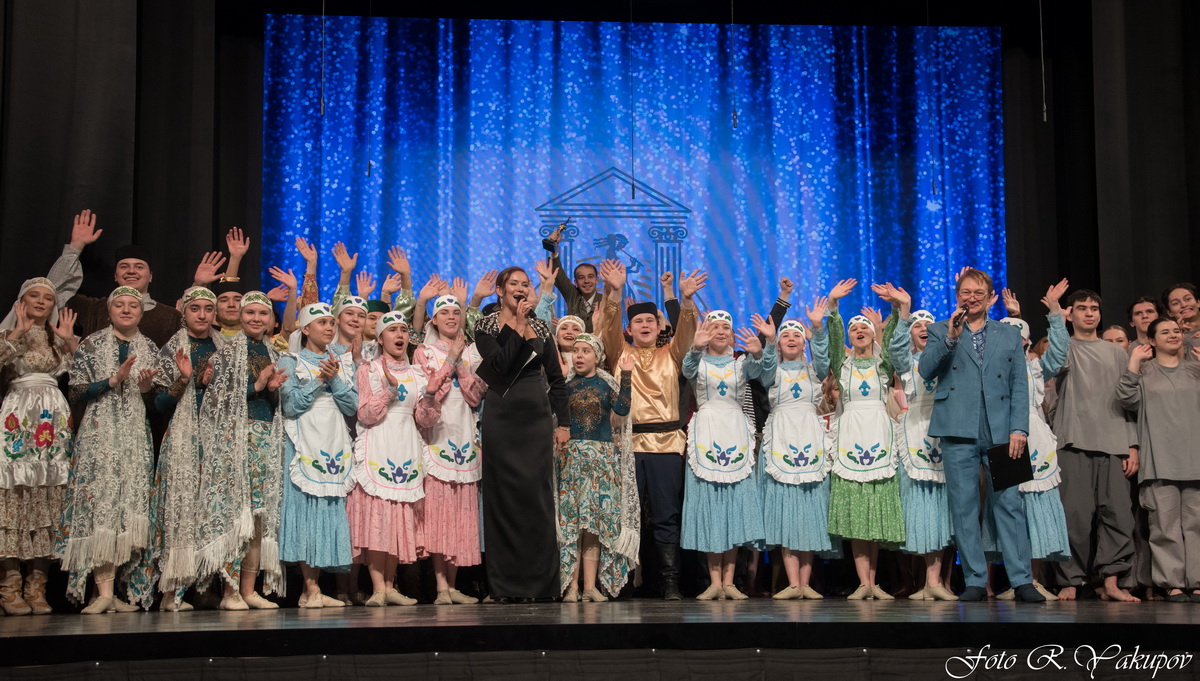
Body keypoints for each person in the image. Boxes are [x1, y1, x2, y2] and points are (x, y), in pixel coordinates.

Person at [918, 268, 1044, 602]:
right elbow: (926, 370)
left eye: (978, 293)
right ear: (957, 296)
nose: (971, 299)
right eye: (966, 293)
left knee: (1010, 503)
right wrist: (951, 336)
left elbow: (1019, 385)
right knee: (964, 505)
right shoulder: (940, 329)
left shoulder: (1008, 334)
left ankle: (1021, 580)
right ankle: (974, 579)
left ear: (990, 298)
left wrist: (1019, 428)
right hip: (957, 425)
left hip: (1002, 428)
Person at [597, 260, 702, 600]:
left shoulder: (672, 355)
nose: (644, 325)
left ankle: (669, 581)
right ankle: (623, 581)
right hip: (626, 444)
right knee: (625, 515)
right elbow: (608, 328)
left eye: (649, 321)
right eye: (637, 321)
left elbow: (687, 333)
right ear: (629, 329)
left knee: (666, 514)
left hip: (666, 444)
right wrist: (614, 293)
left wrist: (686, 301)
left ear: (659, 327)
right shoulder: (619, 352)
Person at [57, 286, 159, 613]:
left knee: (127, 506)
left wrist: (145, 388)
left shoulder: (149, 347)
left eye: (133, 305)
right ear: (110, 311)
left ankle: (113, 592)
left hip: (134, 435)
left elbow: (154, 402)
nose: (126, 310)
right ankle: (102, 591)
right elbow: (76, 391)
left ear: (141, 312)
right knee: (102, 503)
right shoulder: (92, 344)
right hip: (99, 434)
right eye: (120, 305)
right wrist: (112, 381)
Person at [474, 267, 569, 602]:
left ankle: (541, 585)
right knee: (503, 499)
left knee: (536, 498)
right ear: (500, 291)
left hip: (535, 418)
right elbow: (500, 366)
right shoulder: (486, 326)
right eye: (513, 284)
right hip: (501, 415)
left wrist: (563, 423)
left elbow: (556, 378)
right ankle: (505, 586)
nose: (521, 288)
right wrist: (516, 323)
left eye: (525, 284)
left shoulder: (540, 327)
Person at [1041, 289, 1140, 602]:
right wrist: (1055, 313)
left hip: (1114, 441)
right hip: (1073, 440)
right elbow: (1054, 365)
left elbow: (1127, 401)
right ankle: (1070, 579)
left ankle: (1111, 581)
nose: (1089, 313)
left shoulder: (1117, 353)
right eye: (1082, 308)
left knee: (1118, 515)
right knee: (1075, 516)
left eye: (1094, 308)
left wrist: (1132, 444)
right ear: (1071, 314)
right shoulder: (1065, 347)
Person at [195, 291, 288, 610]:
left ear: (271, 319)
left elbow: (274, 403)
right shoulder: (227, 352)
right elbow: (217, 400)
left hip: (265, 437)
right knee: (237, 514)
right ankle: (230, 591)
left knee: (259, 516)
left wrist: (271, 391)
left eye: (263, 314)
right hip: (236, 438)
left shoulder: (274, 352)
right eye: (250, 313)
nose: (256, 319)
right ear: (240, 316)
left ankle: (248, 590)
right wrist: (257, 386)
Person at [136, 286, 225, 611]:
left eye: (208, 309)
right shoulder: (174, 348)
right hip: (184, 437)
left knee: (210, 509)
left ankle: (204, 586)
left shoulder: (224, 348)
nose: (202, 315)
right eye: (195, 308)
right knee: (182, 508)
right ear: (183, 312)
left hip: (217, 436)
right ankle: (172, 591)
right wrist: (185, 379)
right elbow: (158, 404)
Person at [817, 279, 904, 600]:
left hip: (878, 435)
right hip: (851, 435)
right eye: (854, 329)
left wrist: (895, 308)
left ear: (872, 334)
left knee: (874, 510)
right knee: (856, 511)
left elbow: (892, 341)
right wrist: (833, 306)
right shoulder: (842, 365)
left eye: (864, 328)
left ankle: (874, 582)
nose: (859, 331)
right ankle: (862, 583)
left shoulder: (883, 365)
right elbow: (834, 340)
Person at [681, 311, 776, 600]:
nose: (721, 331)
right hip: (706, 432)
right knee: (711, 505)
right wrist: (695, 347)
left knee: (734, 505)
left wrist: (762, 351)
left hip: (735, 431)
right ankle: (714, 582)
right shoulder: (698, 360)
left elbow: (767, 376)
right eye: (715, 327)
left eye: (726, 327)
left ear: (733, 335)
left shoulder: (742, 363)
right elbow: (687, 369)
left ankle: (730, 582)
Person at [988, 283, 1071, 601]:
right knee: (1008, 508)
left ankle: (1033, 581)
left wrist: (1054, 312)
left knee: (1035, 507)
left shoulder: (1036, 366)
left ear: (1025, 341)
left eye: (1018, 336)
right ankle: (1013, 581)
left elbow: (1059, 352)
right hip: (1002, 435)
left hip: (1034, 438)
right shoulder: (989, 369)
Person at [0, 278, 78, 615]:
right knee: (16, 493)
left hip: (52, 418)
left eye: (48, 297)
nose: (42, 301)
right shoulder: (10, 333)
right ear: (22, 300)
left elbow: (81, 373)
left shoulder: (55, 337)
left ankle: (37, 586)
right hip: (19, 415)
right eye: (35, 295)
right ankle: (10, 586)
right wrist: (16, 333)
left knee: (49, 494)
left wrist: (69, 342)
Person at [347, 312, 430, 607]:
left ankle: (391, 586)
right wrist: (390, 392)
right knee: (378, 517)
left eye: (403, 330)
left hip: (406, 445)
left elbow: (425, 419)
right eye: (392, 330)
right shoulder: (368, 370)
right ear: (380, 338)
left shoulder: (419, 374)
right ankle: (378, 587)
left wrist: (432, 395)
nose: (400, 335)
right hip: (378, 443)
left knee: (397, 517)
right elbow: (366, 414)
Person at [278, 303, 357, 607]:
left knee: (326, 509)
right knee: (306, 509)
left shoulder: (341, 362)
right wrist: (320, 380)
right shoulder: (290, 360)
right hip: (304, 440)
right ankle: (310, 589)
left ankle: (312, 590)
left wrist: (334, 378)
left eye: (331, 323)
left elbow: (352, 406)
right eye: (321, 322)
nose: (329, 328)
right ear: (306, 329)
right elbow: (290, 405)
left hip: (333, 439)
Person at [1117, 318, 1200, 602]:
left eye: (1176, 331)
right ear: (1151, 340)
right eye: (1165, 332)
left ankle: (1197, 581)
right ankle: (1171, 582)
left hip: (1195, 460)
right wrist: (1133, 362)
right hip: (1160, 461)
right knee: (1165, 527)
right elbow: (1126, 399)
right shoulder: (1145, 371)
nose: (1173, 335)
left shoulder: (1195, 369)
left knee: (1197, 525)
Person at [759, 309, 838, 601]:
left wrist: (817, 329)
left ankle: (806, 584)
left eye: (796, 335)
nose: (791, 339)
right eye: (785, 336)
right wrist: (769, 343)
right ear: (780, 344)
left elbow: (824, 358)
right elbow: (765, 369)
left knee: (809, 511)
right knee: (786, 511)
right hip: (781, 438)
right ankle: (793, 583)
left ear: (803, 343)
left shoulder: (814, 371)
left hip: (809, 437)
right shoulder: (773, 370)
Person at [412, 295, 486, 605]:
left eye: (456, 312)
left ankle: (454, 586)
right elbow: (429, 395)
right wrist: (450, 362)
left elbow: (475, 395)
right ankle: (441, 587)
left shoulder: (472, 351)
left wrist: (461, 363)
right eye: (444, 312)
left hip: (465, 436)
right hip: (438, 436)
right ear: (434, 320)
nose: (452, 317)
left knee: (460, 514)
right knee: (439, 513)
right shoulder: (423, 352)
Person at [884, 289, 956, 602]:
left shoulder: (948, 358)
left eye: (928, 324)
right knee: (920, 506)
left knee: (942, 507)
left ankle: (935, 581)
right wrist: (904, 312)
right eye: (917, 325)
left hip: (945, 427)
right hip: (914, 430)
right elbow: (895, 348)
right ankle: (923, 582)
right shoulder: (906, 362)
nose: (923, 328)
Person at [557, 333, 636, 602]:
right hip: (572, 460)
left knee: (594, 525)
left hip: (601, 462)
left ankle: (590, 587)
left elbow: (622, 410)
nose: (579, 355)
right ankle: (571, 586)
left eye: (585, 351)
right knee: (573, 524)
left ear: (598, 357)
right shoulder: (565, 386)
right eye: (576, 350)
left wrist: (626, 376)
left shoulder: (605, 384)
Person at [544, 225, 602, 331]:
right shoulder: (573, 295)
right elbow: (558, 275)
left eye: (590, 277)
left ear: (596, 280)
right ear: (575, 282)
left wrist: (567, 325)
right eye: (581, 277)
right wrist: (554, 249)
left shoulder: (605, 301)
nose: (586, 281)